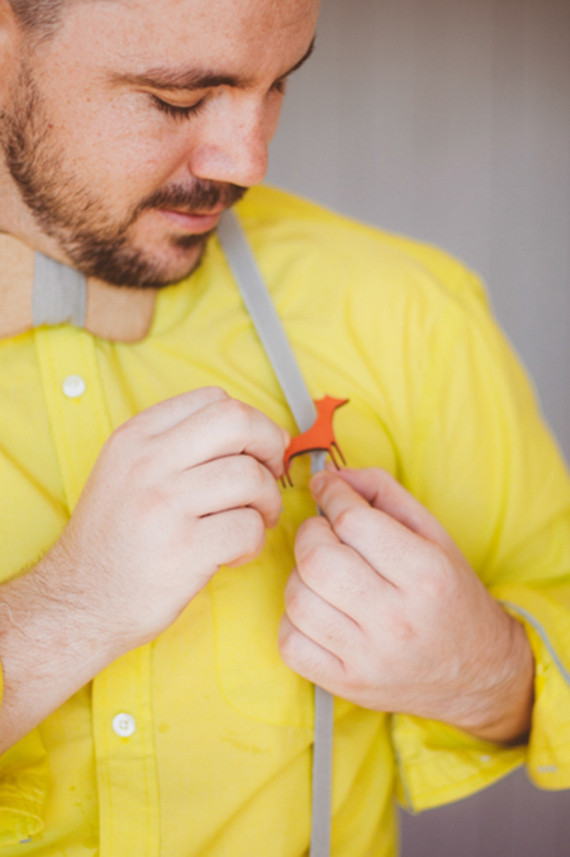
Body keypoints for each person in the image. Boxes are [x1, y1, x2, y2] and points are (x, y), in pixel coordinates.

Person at [0, 0, 569, 854]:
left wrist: (489, 672)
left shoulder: (408, 312)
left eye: (280, 84)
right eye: (178, 99)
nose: (249, 160)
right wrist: (61, 617)